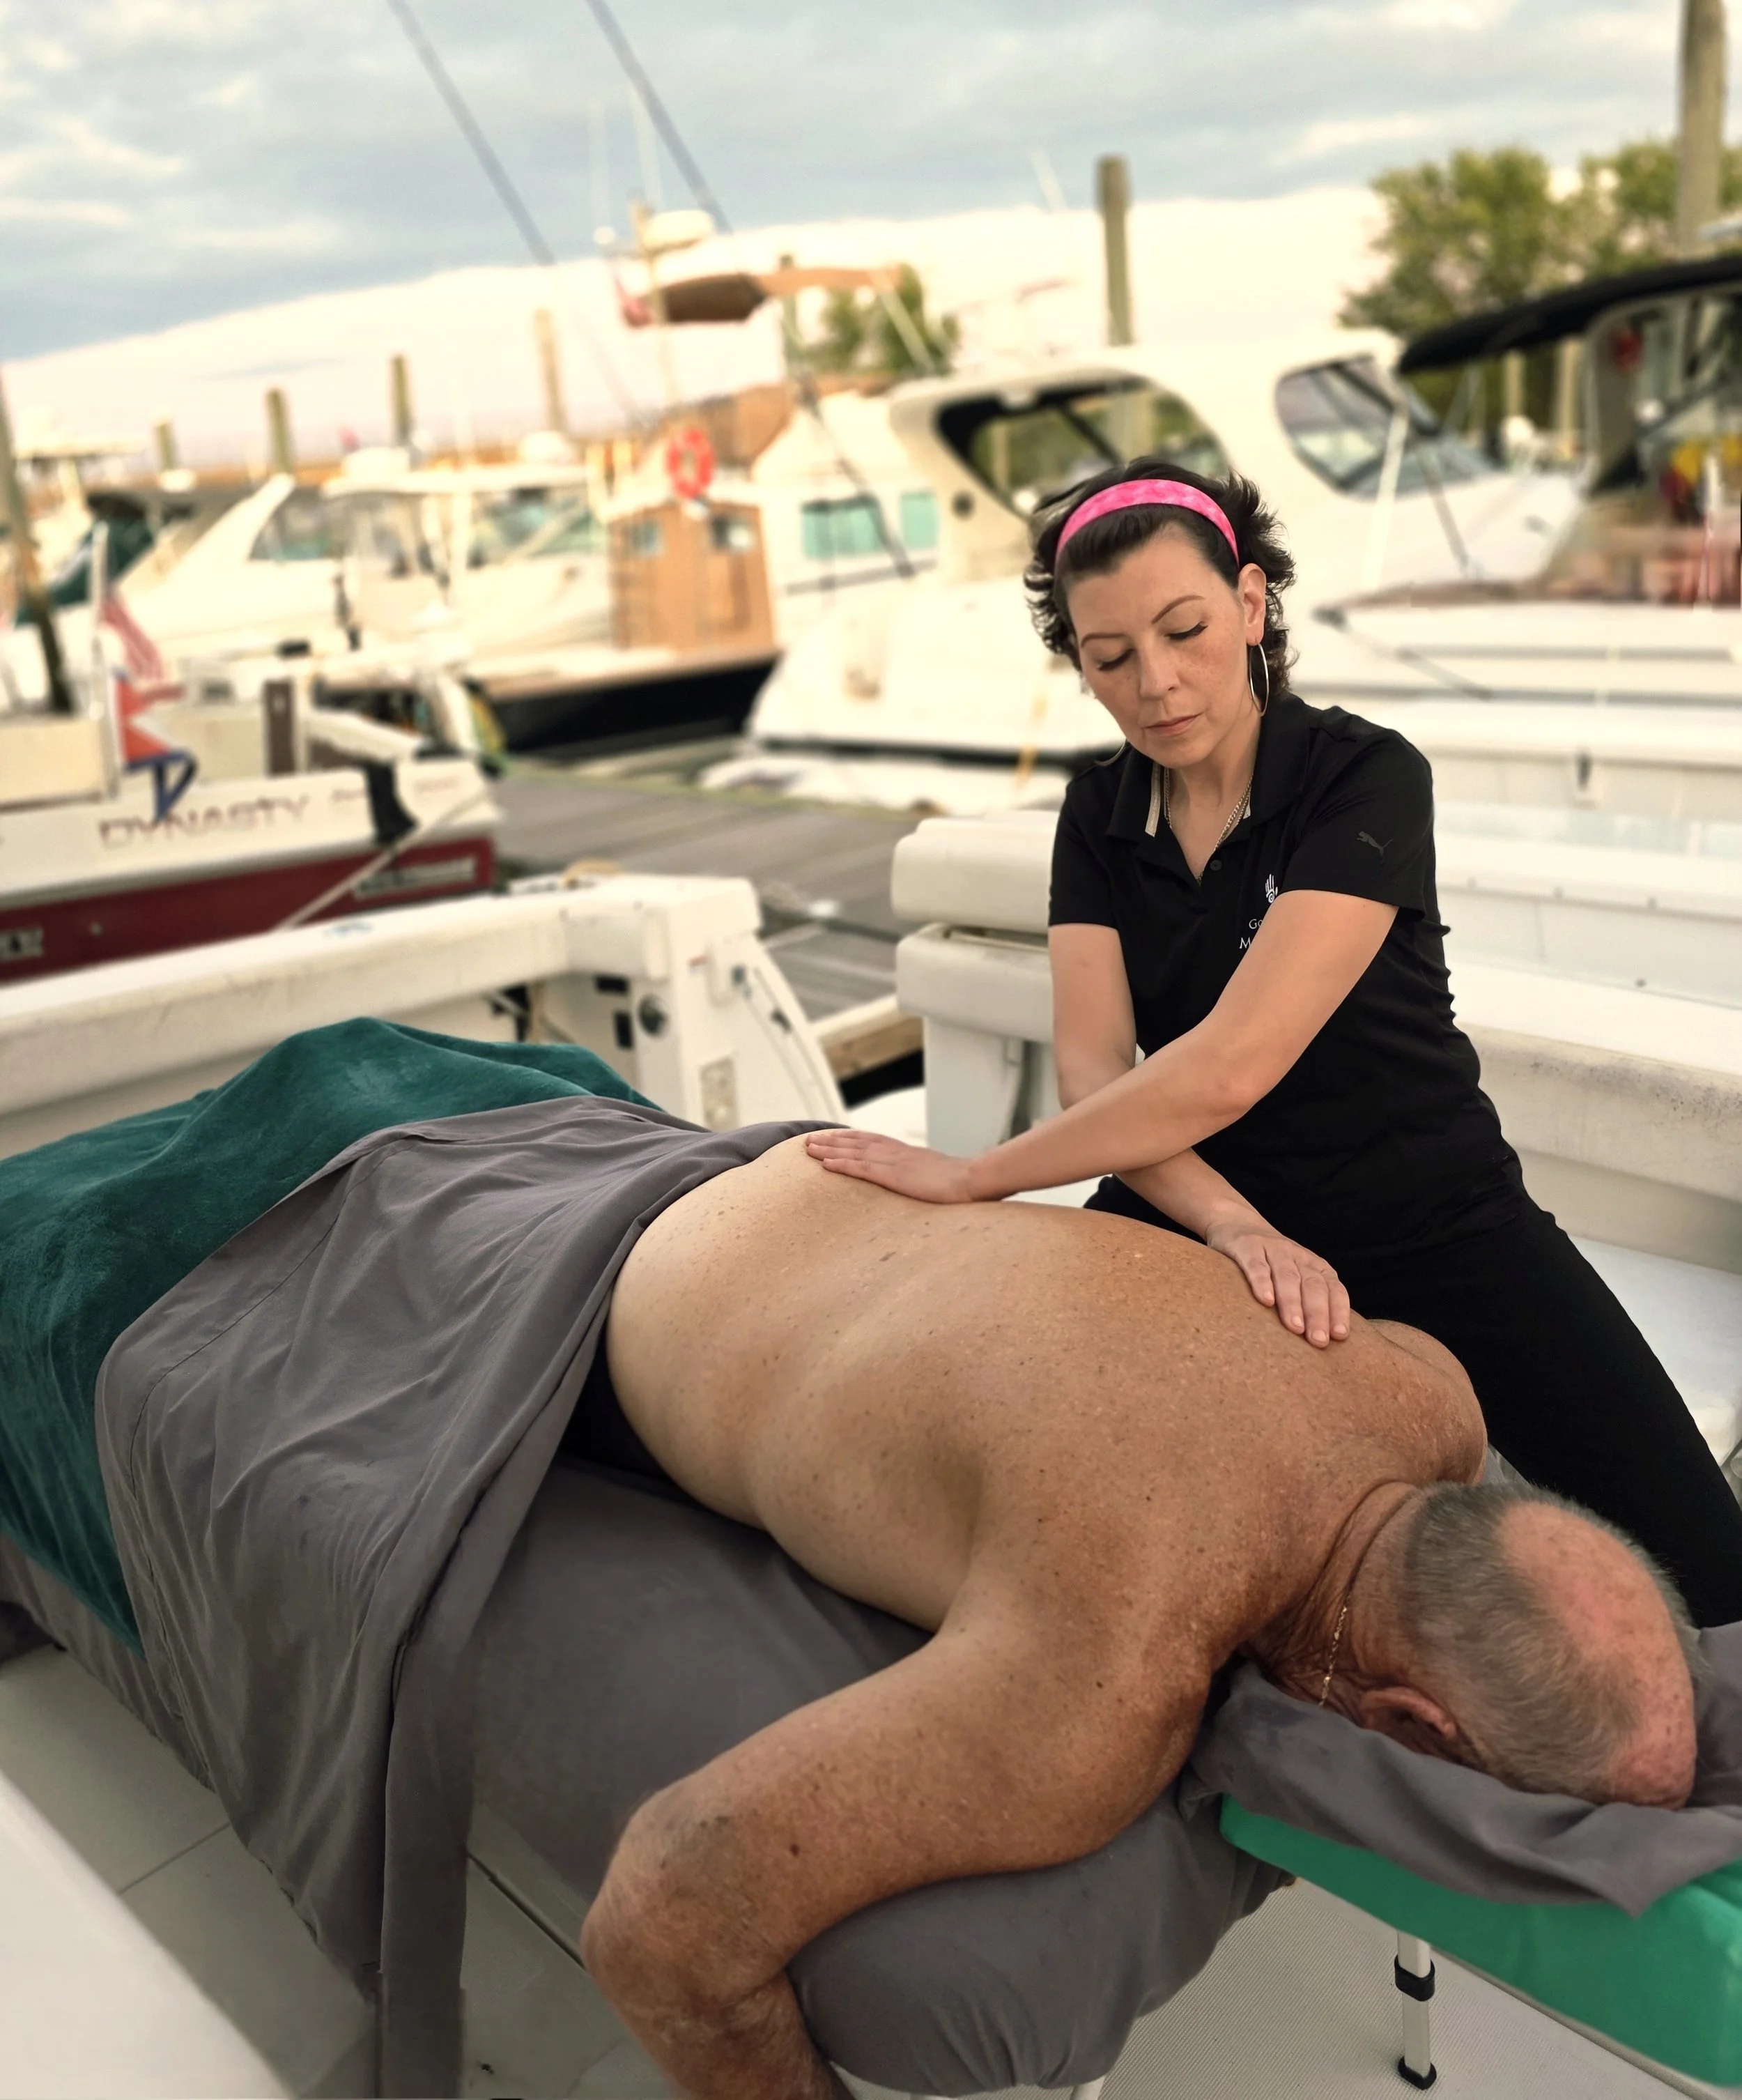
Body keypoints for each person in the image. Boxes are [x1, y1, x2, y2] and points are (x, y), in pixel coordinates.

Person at [803, 458, 1742, 1632]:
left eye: (1185, 629)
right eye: (1109, 658)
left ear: (1250, 606)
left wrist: (978, 1175)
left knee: (1709, 1569)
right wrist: (1240, 1228)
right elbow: (1099, 1072)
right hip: (1193, 1214)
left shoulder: (1365, 776)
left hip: (1434, 1215)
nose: (1156, 682)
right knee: (978, 1453)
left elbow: (1233, 1063)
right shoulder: (1100, 817)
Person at [576, 1133, 1699, 2100]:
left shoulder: (1433, 1391)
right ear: (1408, 1728)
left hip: (826, 1182)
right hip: (645, 1281)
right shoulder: (1104, 1689)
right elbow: (660, 1922)